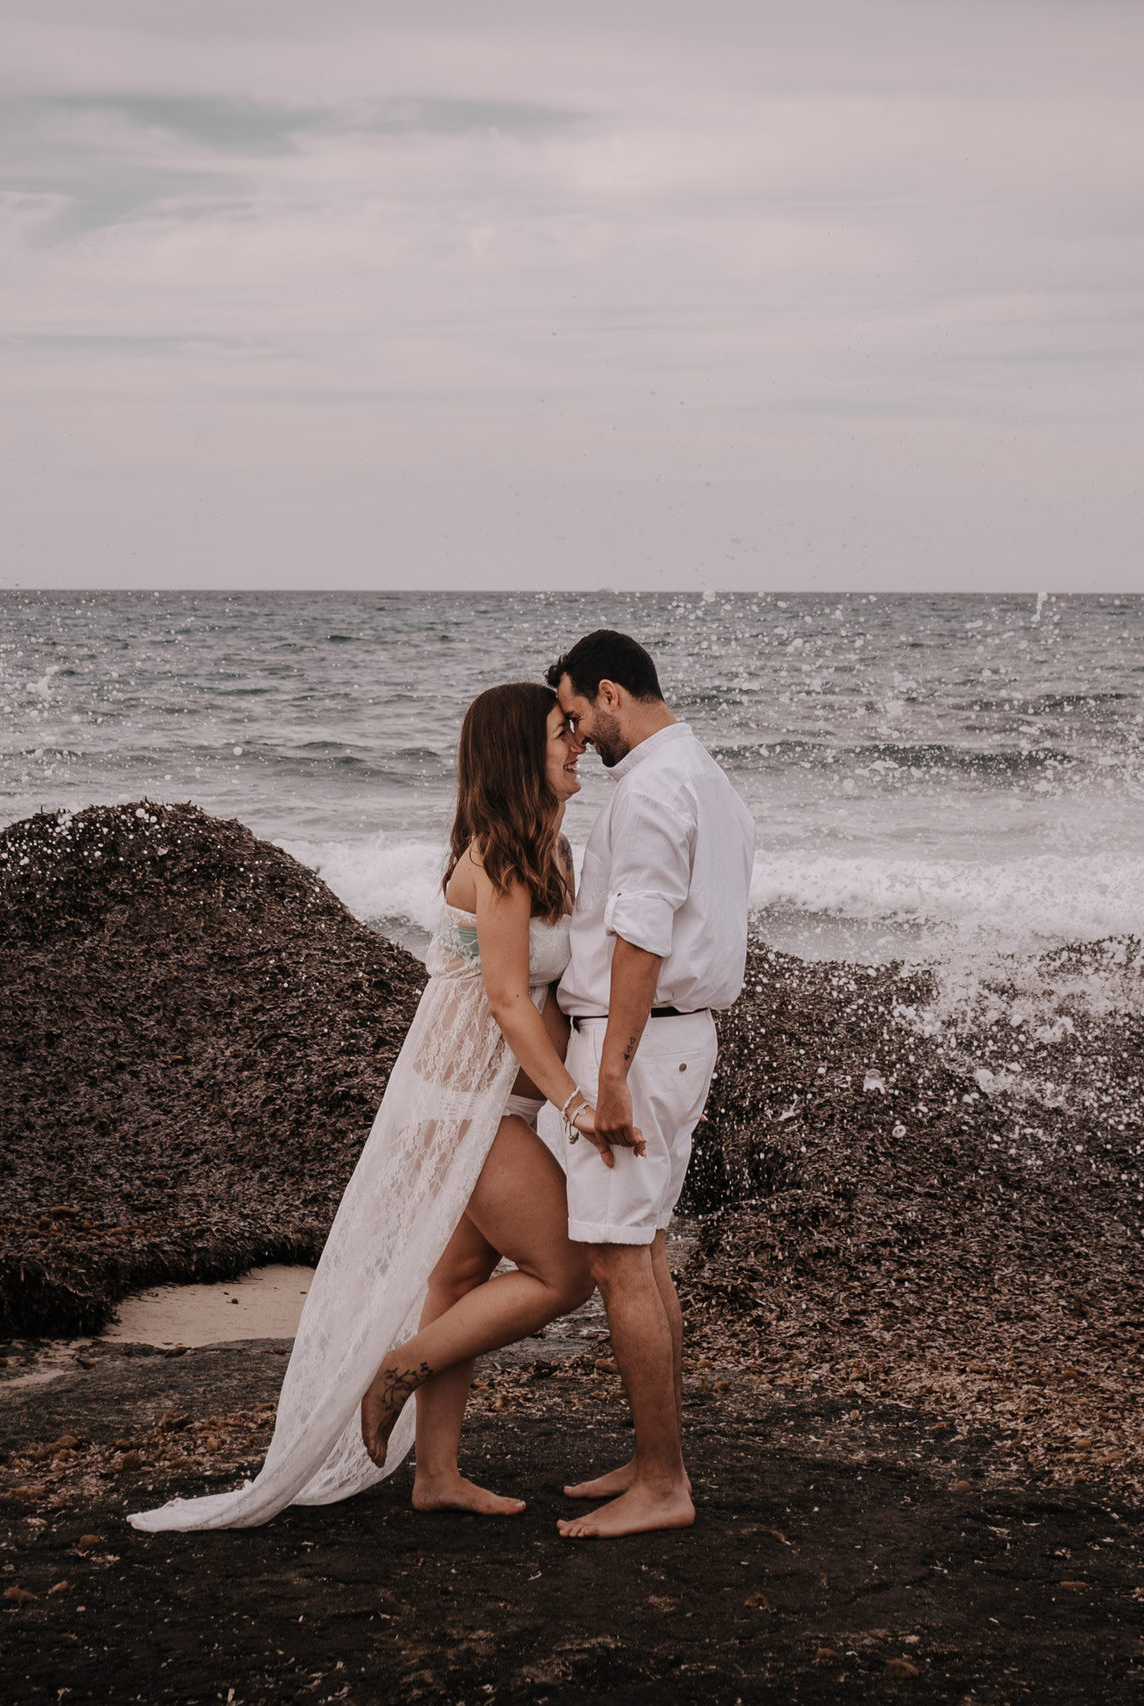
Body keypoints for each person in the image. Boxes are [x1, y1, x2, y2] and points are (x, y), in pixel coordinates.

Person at [129, 681, 621, 1531]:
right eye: (559, 732)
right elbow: (508, 1001)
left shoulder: (547, 849)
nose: (577, 742)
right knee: (566, 1273)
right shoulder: (501, 860)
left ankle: (435, 1474)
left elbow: (545, 994)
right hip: (458, 1105)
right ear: (517, 754)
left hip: (486, 1102)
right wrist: (577, 1105)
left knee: (459, 1278)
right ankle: (397, 1369)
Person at [540, 629, 756, 1540]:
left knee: (620, 1259)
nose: (574, 733)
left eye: (574, 713)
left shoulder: (653, 788)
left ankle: (664, 1482)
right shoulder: (703, 775)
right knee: (649, 1248)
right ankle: (653, 1457)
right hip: (679, 1039)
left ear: (610, 693)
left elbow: (641, 936)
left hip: (640, 1044)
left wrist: (612, 1074)